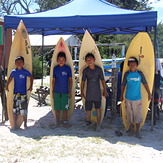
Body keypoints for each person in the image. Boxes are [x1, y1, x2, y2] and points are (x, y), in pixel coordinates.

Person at [120, 57, 152, 139]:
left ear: (137, 65)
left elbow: (145, 84)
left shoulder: (140, 74)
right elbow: (123, 85)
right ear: (128, 65)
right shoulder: (127, 74)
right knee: (129, 114)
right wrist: (121, 95)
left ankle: (137, 131)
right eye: (130, 65)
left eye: (134, 65)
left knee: (137, 115)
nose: (132, 66)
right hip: (128, 97)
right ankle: (131, 129)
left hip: (137, 98)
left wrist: (149, 93)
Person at [80, 53, 108, 131]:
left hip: (97, 93)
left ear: (94, 59)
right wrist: (82, 92)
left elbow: (103, 81)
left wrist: (105, 91)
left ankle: (98, 124)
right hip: (89, 93)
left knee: (98, 108)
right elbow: (82, 82)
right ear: (85, 61)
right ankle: (88, 122)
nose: (89, 61)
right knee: (88, 109)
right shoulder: (85, 70)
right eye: (87, 60)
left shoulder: (99, 70)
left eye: (91, 59)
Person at [6, 56, 33, 130]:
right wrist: (7, 86)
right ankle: (14, 125)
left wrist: (31, 86)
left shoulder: (25, 71)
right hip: (16, 94)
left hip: (23, 94)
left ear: (23, 63)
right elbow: (10, 78)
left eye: (20, 62)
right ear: (15, 63)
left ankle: (25, 124)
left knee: (24, 111)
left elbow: (31, 77)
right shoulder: (13, 72)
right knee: (15, 111)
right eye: (17, 62)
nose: (19, 63)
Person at [52, 52, 72, 127]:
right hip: (57, 91)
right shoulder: (55, 69)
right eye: (59, 59)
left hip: (65, 91)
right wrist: (53, 91)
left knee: (65, 108)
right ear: (57, 60)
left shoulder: (67, 68)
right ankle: (57, 122)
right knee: (57, 108)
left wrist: (70, 91)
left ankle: (65, 121)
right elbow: (53, 81)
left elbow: (70, 81)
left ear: (65, 60)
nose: (61, 61)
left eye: (63, 59)